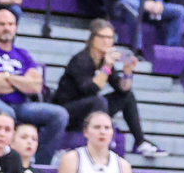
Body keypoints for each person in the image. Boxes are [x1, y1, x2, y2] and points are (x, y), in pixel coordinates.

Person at [0, 7, 69, 155]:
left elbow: (36, 86)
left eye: (11, 24)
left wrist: (6, 77)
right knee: (5, 114)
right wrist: (21, 83)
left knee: (59, 114)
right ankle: (9, 159)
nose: (7, 28)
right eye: (2, 24)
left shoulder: (22, 54)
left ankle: (39, 164)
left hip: (21, 105)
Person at [51, 19, 162, 158]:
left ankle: (140, 142)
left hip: (89, 108)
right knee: (98, 101)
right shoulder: (81, 60)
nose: (106, 41)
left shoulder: (104, 60)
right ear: (92, 38)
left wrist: (127, 72)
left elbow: (122, 89)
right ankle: (99, 144)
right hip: (67, 111)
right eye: (102, 37)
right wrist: (106, 67)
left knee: (127, 97)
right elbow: (89, 90)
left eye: (110, 38)